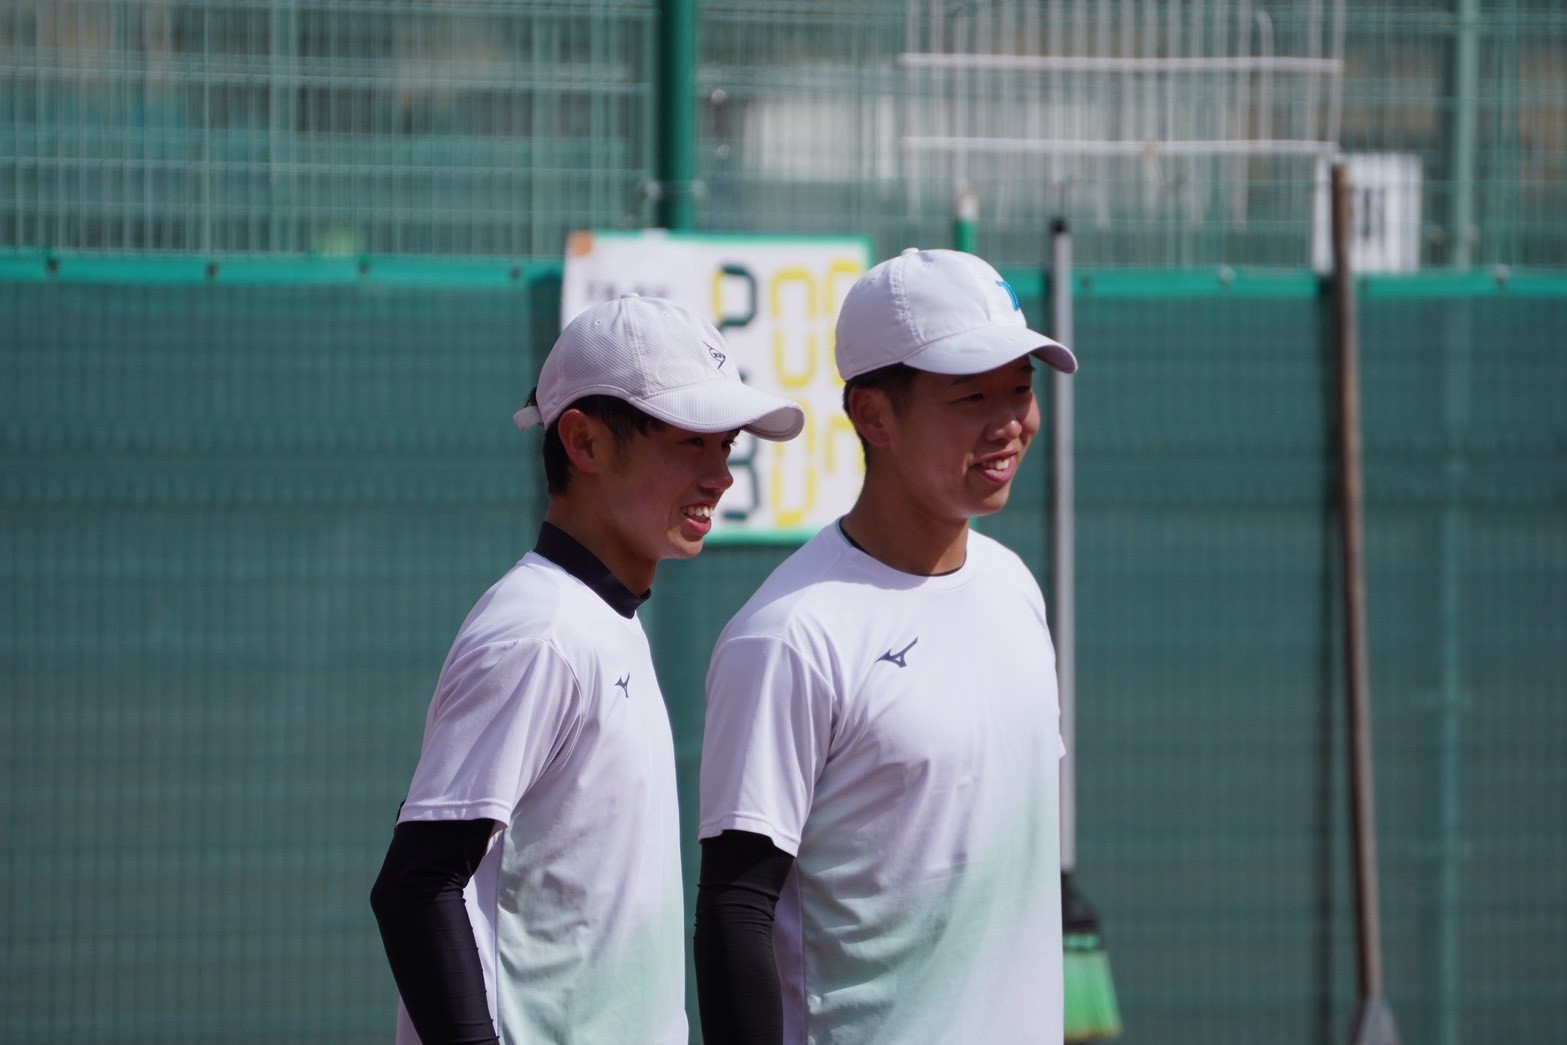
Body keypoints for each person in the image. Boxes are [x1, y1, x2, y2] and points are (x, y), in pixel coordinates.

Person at [371, 295, 805, 1045]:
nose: (720, 477)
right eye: (688, 443)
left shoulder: (599, 619)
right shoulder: (540, 631)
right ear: (584, 441)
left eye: (725, 445)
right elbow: (416, 886)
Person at [693, 248, 1079, 1044]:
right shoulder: (788, 635)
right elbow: (735, 910)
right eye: (971, 396)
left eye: (1020, 388)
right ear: (873, 416)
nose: (1010, 422)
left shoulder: (1014, 587)